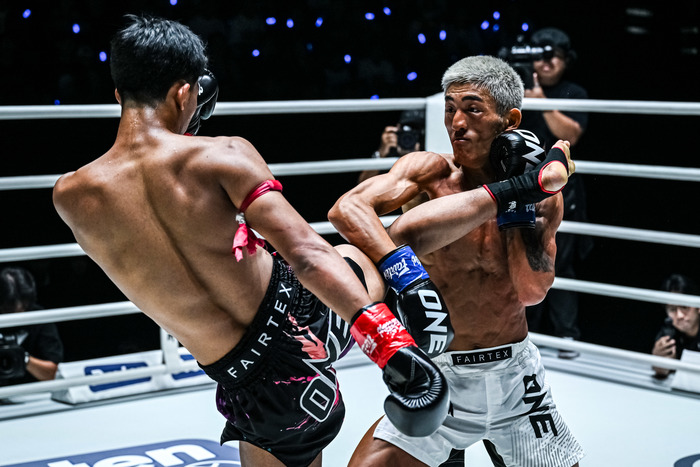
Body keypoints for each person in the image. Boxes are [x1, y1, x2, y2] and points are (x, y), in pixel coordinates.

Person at [52, 15, 448, 467]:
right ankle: (499, 203)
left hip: (246, 381)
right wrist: (393, 348)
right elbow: (307, 254)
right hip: (303, 319)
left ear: (118, 95)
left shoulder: (71, 196)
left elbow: (162, 240)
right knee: (378, 243)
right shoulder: (222, 155)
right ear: (185, 93)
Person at [329, 55, 584, 466]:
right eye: (450, 109)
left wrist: (518, 202)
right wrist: (405, 273)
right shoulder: (429, 175)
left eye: (472, 109)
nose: (456, 123)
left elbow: (531, 291)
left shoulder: (542, 197)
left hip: (515, 379)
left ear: (509, 120)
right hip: (440, 372)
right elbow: (347, 210)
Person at [520, 27, 593, 358]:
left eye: (553, 56)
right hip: (521, 185)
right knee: (521, 257)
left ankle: (566, 336)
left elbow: (571, 135)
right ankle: (524, 334)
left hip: (562, 189)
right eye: (539, 55)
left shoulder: (573, 92)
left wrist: (541, 102)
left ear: (566, 60)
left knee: (559, 261)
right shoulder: (515, 91)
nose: (546, 62)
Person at [0, 267, 64, 386]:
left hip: (32, 391)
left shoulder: (38, 318)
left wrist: (23, 358)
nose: (18, 311)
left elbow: (52, 373)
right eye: (8, 308)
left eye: (24, 306)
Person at [651, 274, 700, 379]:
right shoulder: (668, 332)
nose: (679, 315)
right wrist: (659, 363)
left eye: (685, 307)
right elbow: (661, 372)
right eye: (672, 309)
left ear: (698, 307)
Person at [358, 109, 426, 184]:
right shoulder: (391, 151)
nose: (409, 137)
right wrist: (381, 154)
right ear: (397, 128)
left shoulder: (430, 152)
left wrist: (416, 158)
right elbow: (362, 185)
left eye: (415, 133)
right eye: (406, 130)